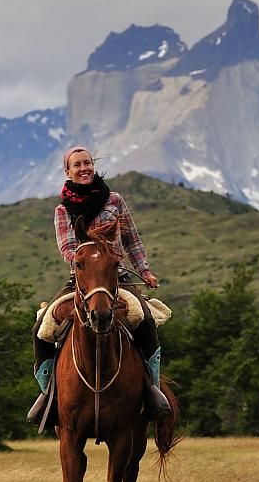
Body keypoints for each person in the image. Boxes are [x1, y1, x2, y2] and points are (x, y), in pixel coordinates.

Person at [26, 146, 171, 426]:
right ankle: (48, 395)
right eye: (77, 165)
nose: (84, 168)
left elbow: (132, 240)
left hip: (117, 278)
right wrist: (89, 258)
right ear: (68, 172)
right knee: (42, 327)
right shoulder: (62, 210)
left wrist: (145, 271)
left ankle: (151, 389)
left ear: (94, 165)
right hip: (80, 279)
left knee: (145, 319)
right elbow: (67, 248)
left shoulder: (114, 201)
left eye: (87, 163)